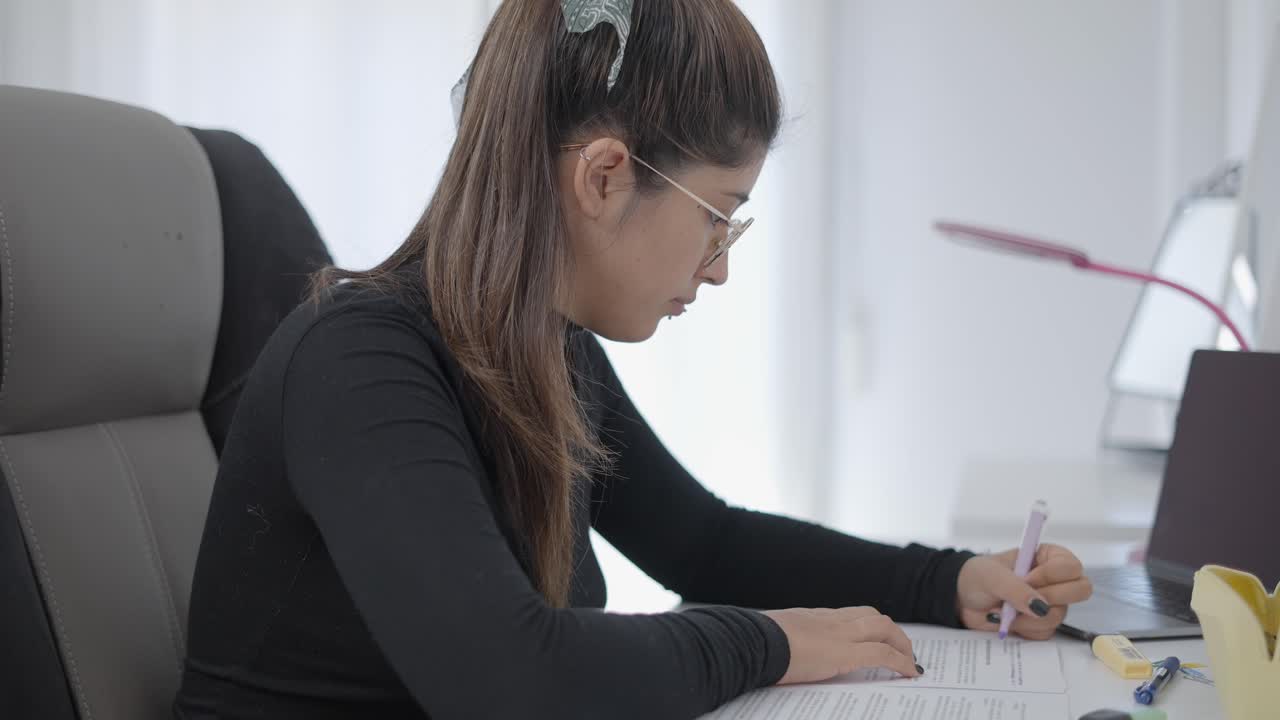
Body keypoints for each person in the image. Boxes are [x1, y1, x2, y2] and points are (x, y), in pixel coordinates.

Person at [174, 1, 1092, 718]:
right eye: (716, 215)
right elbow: (512, 685)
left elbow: (705, 541)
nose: (721, 264)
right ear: (604, 176)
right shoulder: (360, 361)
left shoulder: (543, 346)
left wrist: (946, 579)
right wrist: (770, 644)